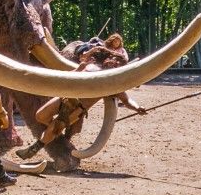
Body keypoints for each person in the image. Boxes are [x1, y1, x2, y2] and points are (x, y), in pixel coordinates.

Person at [18, 34, 146, 157]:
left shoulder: (112, 83)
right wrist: (80, 68)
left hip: (78, 108)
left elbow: (126, 99)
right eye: (113, 59)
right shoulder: (90, 66)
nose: (114, 62)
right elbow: (70, 77)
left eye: (117, 63)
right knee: (40, 116)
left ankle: (33, 150)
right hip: (65, 98)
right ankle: (57, 136)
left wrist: (137, 107)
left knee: (54, 128)